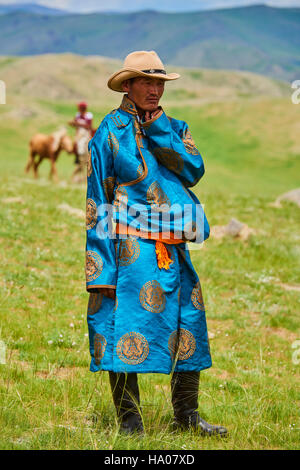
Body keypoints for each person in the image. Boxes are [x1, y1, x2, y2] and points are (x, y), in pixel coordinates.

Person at [85, 50, 228, 437]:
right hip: (129, 249)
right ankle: (130, 425)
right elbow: (97, 200)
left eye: (160, 82)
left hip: (175, 246)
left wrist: (160, 127)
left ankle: (187, 418)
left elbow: (194, 170)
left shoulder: (176, 127)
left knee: (190, 322)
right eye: (147, 81)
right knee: (120, 327)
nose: (155, 89)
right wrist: (100, 266)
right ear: (127, 85)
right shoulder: (107, 134)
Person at [69, 102, 94, 183]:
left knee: (86, 144)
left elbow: (89, 126)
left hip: (85, 134)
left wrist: (77, 123)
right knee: (75, 143)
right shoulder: (78, 115)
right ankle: (77, 155)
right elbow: (76, 126)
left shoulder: (88, 115)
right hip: (79, 134)